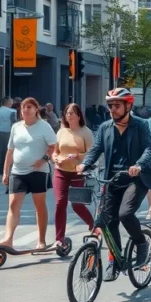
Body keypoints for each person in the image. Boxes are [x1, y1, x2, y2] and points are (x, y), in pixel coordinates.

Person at [78, 88, 151, 280]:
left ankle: (141, 244)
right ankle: (115, 260)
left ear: (128, 106)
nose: (112, 109)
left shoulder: (140, 125)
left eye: (117, 105)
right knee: (107, 221)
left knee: (124, 214)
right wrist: (84, 163)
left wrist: (138, 165)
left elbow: (149, 148)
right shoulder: (105, 127)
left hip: (136, 179)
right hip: (111, 178)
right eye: (110, 106)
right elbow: (96, 149)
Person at [0, 98, 57, 251]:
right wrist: (5, 172)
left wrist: (43, 160)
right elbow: (10, 151)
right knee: (13, 204)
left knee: (39, 205)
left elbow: (53, 146)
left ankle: (41, 240)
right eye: (23, 107)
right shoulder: (16, 127)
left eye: (29, 107)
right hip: (18, 172)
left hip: (38, 172)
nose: (25, 110)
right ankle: (8, 238)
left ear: (36, 109)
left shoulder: (44, 126)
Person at [51, 103, 95, 247]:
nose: (69, 116)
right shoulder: (61, 132)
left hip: (78, 172)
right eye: (67, 113)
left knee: (77, 205)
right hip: (61, 171)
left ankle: (92, 224)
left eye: (72, 113)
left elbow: (92, 154)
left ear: (79, 115)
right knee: (60, 203)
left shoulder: (85, 132)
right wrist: (55, 158)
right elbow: (55, 151)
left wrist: (77, 155)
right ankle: (59, 239)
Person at [0, 97, 16, 174]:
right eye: (11, 101)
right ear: (8, 102)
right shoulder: (12, 111)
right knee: (8, 150)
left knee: (0, 151)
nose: (12, 103)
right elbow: (14, 123)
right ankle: (6, 169)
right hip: (8, 132)